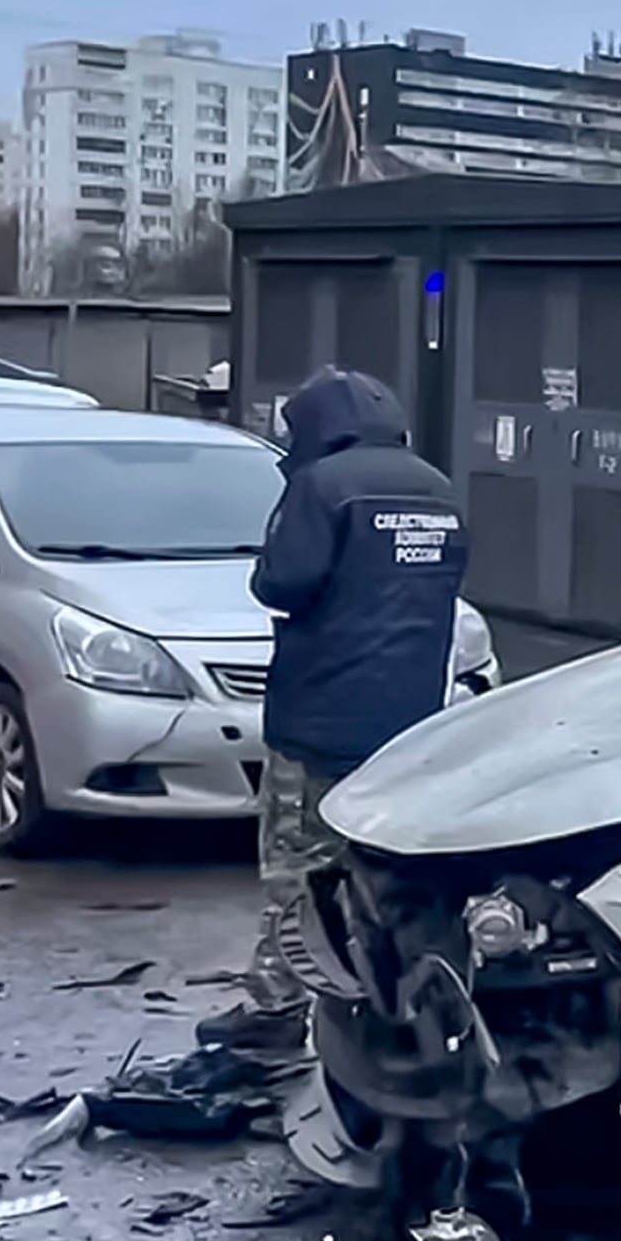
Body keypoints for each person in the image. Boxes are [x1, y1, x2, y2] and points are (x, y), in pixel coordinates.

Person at [213, 366, 469, 1045]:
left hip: (320, 718)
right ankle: (388, 1001)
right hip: (407, 722)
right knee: (381, 870)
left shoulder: (321, 487)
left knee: (299, 871)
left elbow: (281, 583)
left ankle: (276, 1008)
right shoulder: (436, 488)